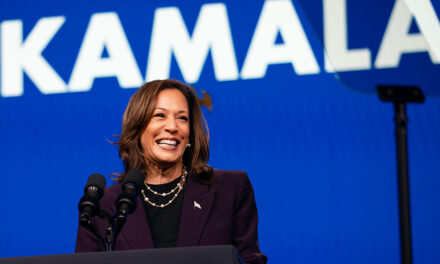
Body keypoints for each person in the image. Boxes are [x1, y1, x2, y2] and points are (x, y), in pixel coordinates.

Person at [75, 79, 267, 264]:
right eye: (160, 115)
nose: (172, 127)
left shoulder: (231, 188)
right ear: (138, 128)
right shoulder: (104, 206)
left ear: (190, 133)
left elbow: (251, 260)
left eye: (182, 118)